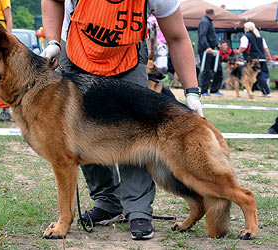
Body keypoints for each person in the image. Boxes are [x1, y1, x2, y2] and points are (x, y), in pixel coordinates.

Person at [41, 0, 203, 240]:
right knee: (82, 131)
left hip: (128, 55)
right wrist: (53, 41)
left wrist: (192, 92)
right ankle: (107, 201)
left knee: (137, 130)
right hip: (77, 50)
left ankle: (138, 210)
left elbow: (177, 37)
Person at [238, 22, 271, 98]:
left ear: (247, 28)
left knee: (257, 75)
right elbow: (265, 48)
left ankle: (266, 91)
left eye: (244, 28)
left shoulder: (245, 37)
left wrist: (238, 51)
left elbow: (243, 47)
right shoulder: (259, 37)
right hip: (262, 58)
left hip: (252, 59)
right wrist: (268, 56)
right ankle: (251, 90)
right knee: (256, 75)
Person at [198, 8, 224, 97]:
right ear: (212, 14)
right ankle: (204, 91)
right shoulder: (205, 22)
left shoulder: (209, 22)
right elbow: (203, 35)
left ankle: (214, 89)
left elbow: (210, 36)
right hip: (206, 50)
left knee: (218, 69)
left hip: (213, 49)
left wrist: (217, 45)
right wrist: (207, 47)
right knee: (206, 70)